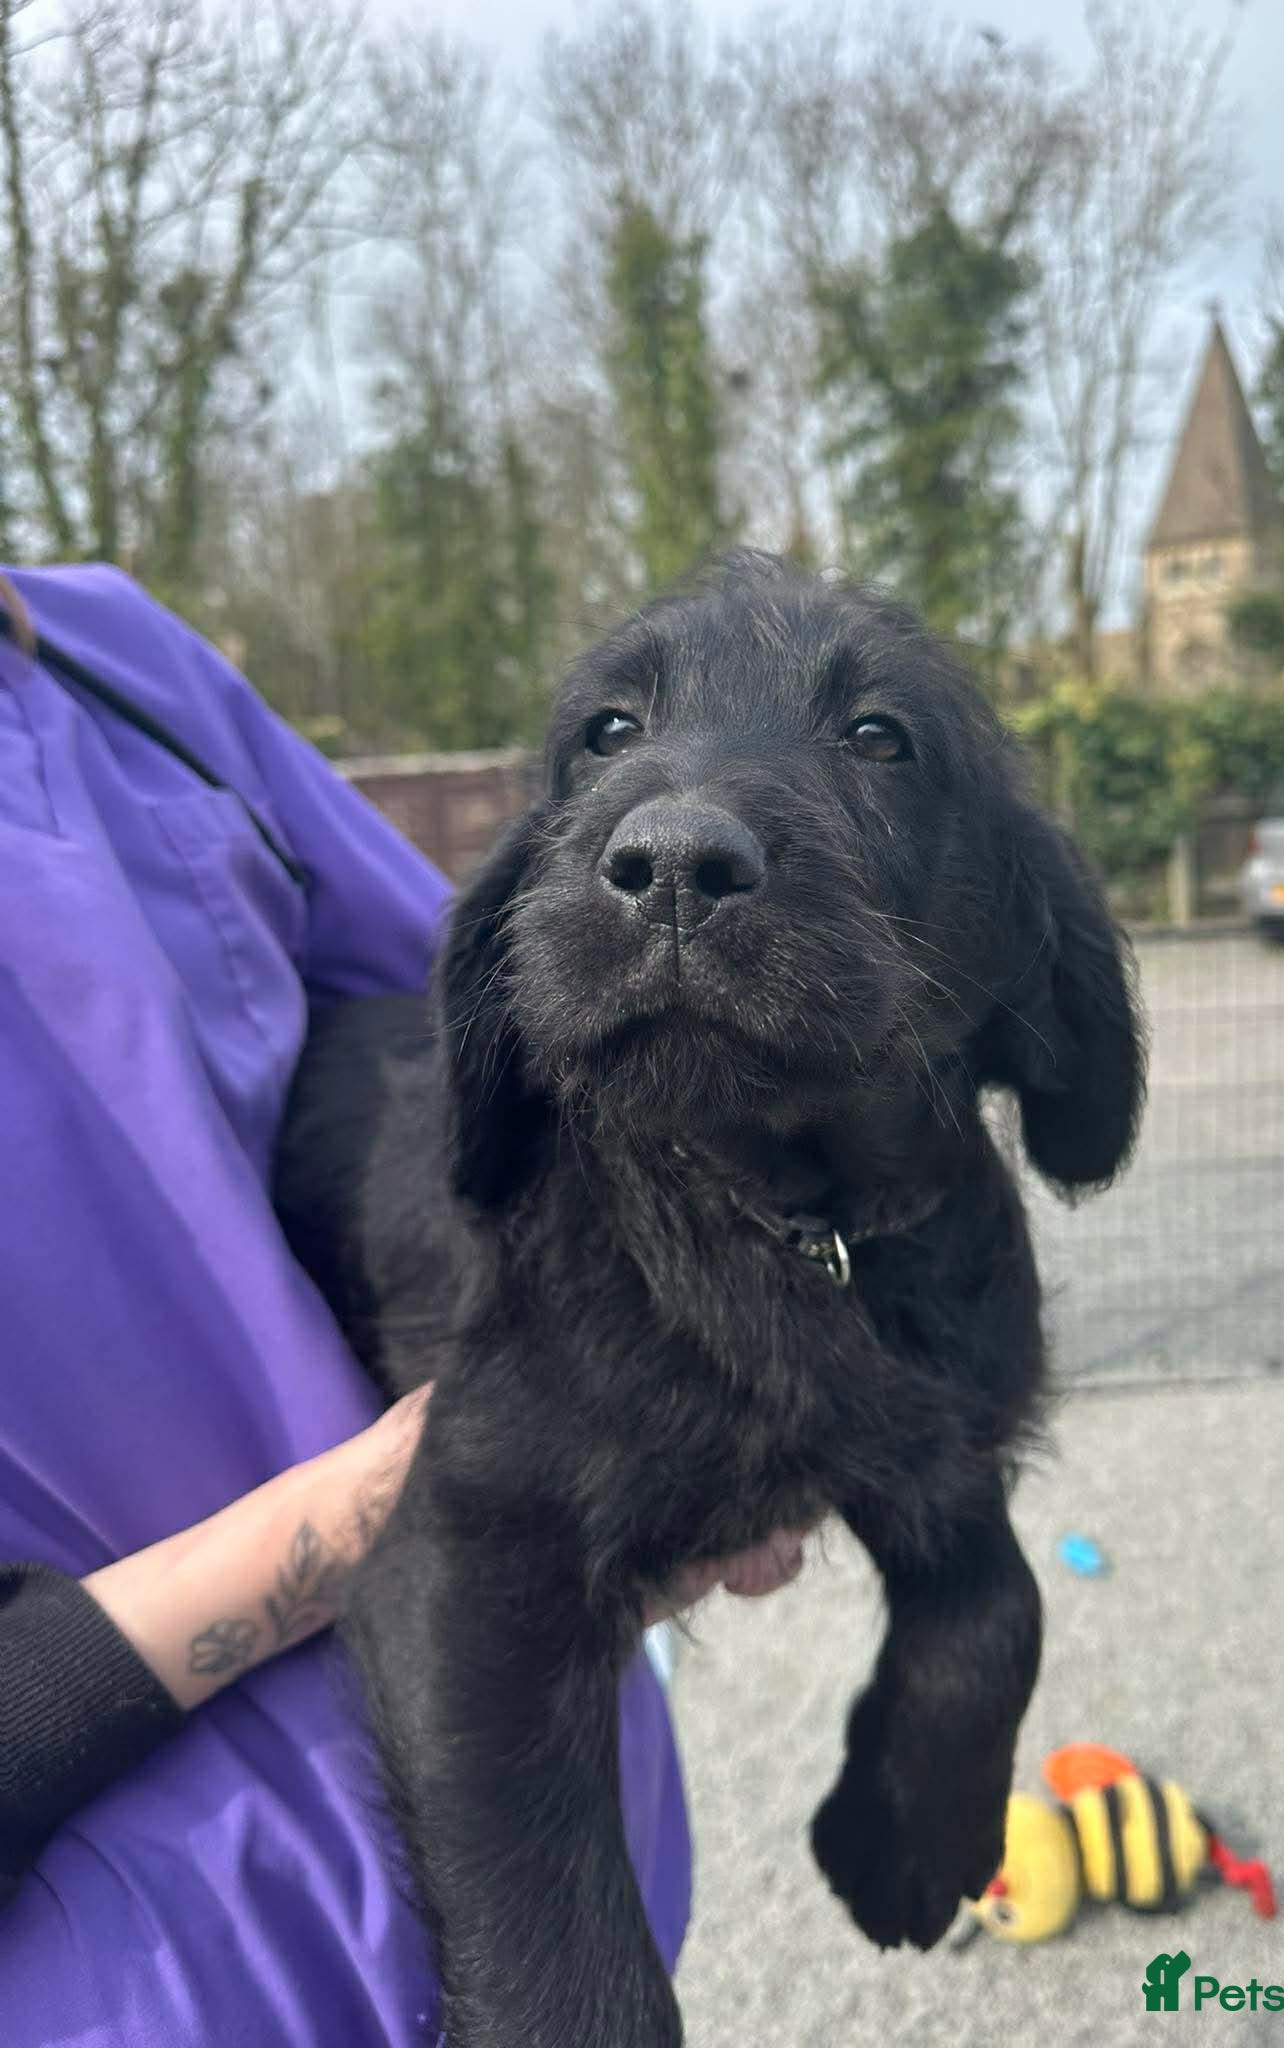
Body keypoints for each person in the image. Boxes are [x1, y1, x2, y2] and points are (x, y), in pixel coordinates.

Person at [0, 565, 802, 2048]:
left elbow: (495, 1044)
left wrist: (728, 1327)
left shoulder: (115, 654)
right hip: (154, 1987)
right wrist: (423, 1482)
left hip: (544, 1837)